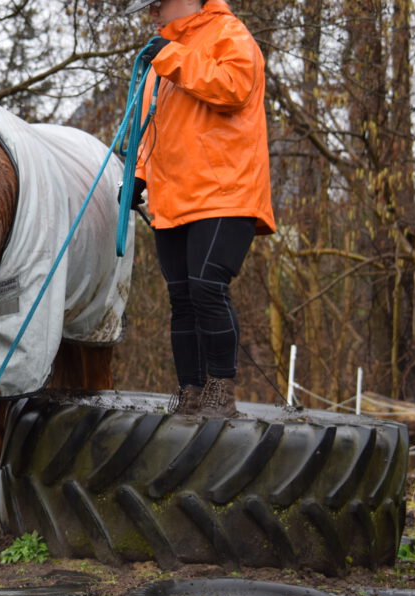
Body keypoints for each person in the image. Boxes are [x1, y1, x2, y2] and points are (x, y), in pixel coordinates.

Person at [123, 0, 275, 418]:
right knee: (181, 298)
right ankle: (190, 391)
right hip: (173, 197)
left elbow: (233, 87)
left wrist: (171, 57)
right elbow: (152, 125)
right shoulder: (162, 56)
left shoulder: (230, 35)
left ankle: (220, 392)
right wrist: (137, 174)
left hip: (226, 191)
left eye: (157, 3)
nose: (151, 11)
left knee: (207, 286)